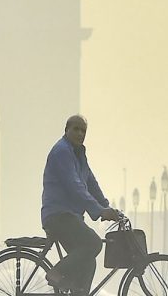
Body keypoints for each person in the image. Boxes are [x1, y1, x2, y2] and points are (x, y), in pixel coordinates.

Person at [41, 115, 119, 295]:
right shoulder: (62, 151)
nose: (79, 133)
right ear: (66, 130)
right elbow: (75, 185)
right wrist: (99, 211)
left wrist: (107, 207)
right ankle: (56, 272)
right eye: (76, 129)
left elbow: (91, 184)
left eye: (83, 130)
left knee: (88, 260)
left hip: (69, 216)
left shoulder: (79, 155)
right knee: (94, 243)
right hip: (59, 215)